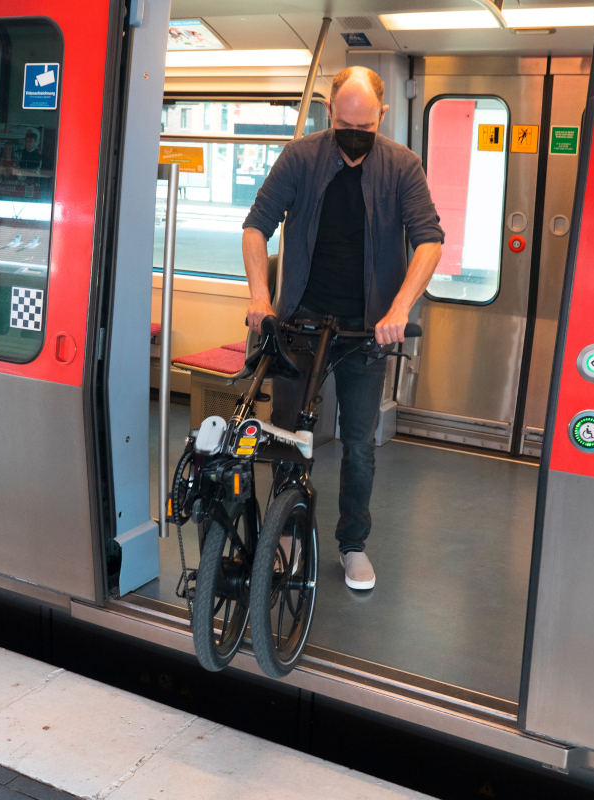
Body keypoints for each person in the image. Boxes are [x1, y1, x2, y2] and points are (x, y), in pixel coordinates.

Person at [241, 66, 444, 590]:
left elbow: (429, 240)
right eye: (343, 125)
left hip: (365, 331)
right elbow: (256, 226)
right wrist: (260, 297)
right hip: (300, 324)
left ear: (383, 115)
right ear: (330, 113)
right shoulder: (301, 157)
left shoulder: (403, 166)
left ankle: (352, 544)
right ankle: (284, 533)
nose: (353, 138)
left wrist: (399, 308)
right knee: (288, 435)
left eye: (364, 127)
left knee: (359, 443)